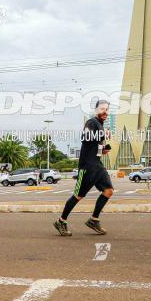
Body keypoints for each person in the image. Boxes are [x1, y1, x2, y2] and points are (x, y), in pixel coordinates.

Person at [54, 100, 113, 236]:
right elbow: (85, 137)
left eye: (107, 109)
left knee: (108, 191)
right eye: (102, 109)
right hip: (87, 167)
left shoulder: (100, 125)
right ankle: (61, 221)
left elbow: (95, 146)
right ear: (97, 110)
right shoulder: (92, 122)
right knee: (79, 195)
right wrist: (104, 135)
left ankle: (93, 220)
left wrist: (103, 149)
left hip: (97, 166)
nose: (105, 112)